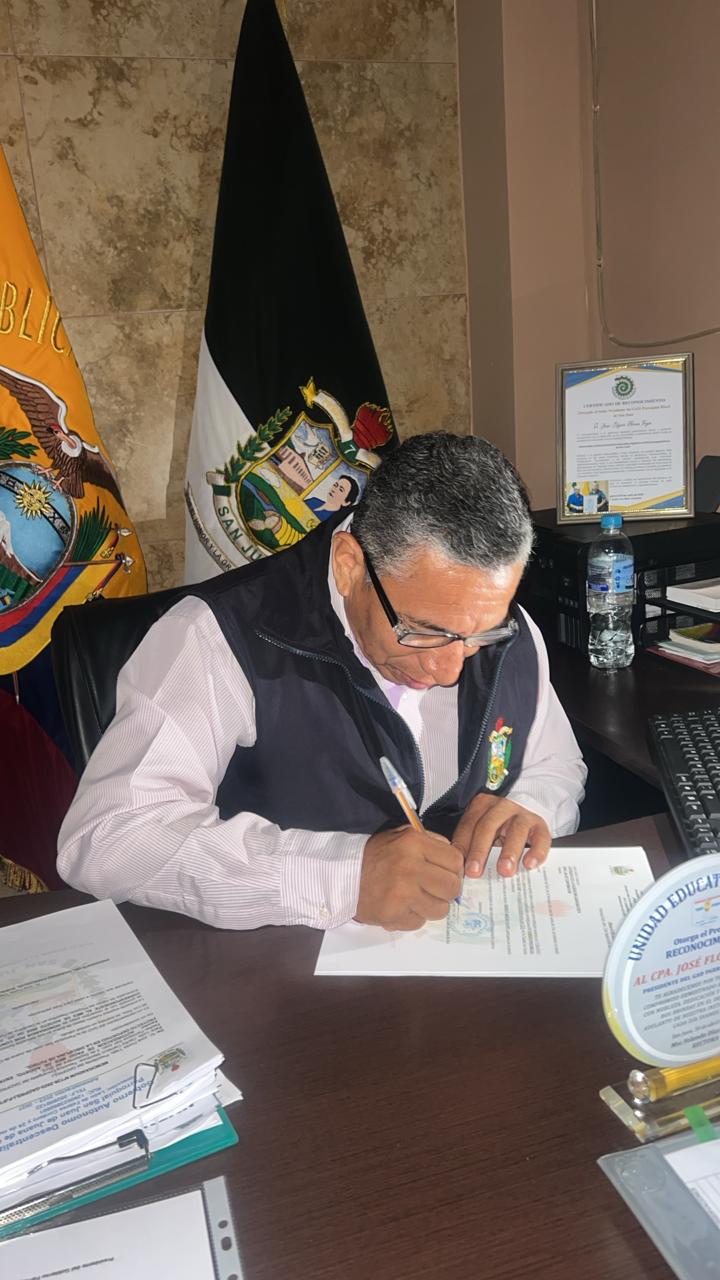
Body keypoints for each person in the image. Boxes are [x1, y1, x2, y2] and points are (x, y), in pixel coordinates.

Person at [58, 433, 586, 933]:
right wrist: (343, 877)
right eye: (423, 631)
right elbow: (107, 839)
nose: (450, 669)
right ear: (349, 564)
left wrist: (531, 807)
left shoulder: (501, 627)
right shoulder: (217, 635)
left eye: (478, 634)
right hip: (277, 972)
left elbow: (555, 765)